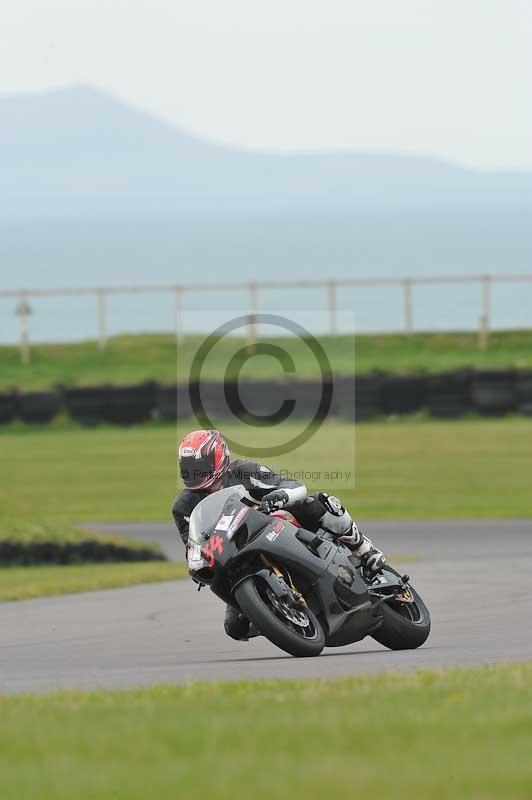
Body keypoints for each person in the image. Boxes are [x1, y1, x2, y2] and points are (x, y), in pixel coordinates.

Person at [172, 429, 386, 641]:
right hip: (235, 557)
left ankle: (364, 549)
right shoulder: (183, 507)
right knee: (234, 626)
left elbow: (295, 486)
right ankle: (278, 616)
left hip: (274, 526)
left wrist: (280, 495)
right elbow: (193, 546)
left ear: (218, 459)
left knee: (317, 503)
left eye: (199, 467)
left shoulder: (243, 471)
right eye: (188, 468)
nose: (194, 473)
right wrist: (198, 563)